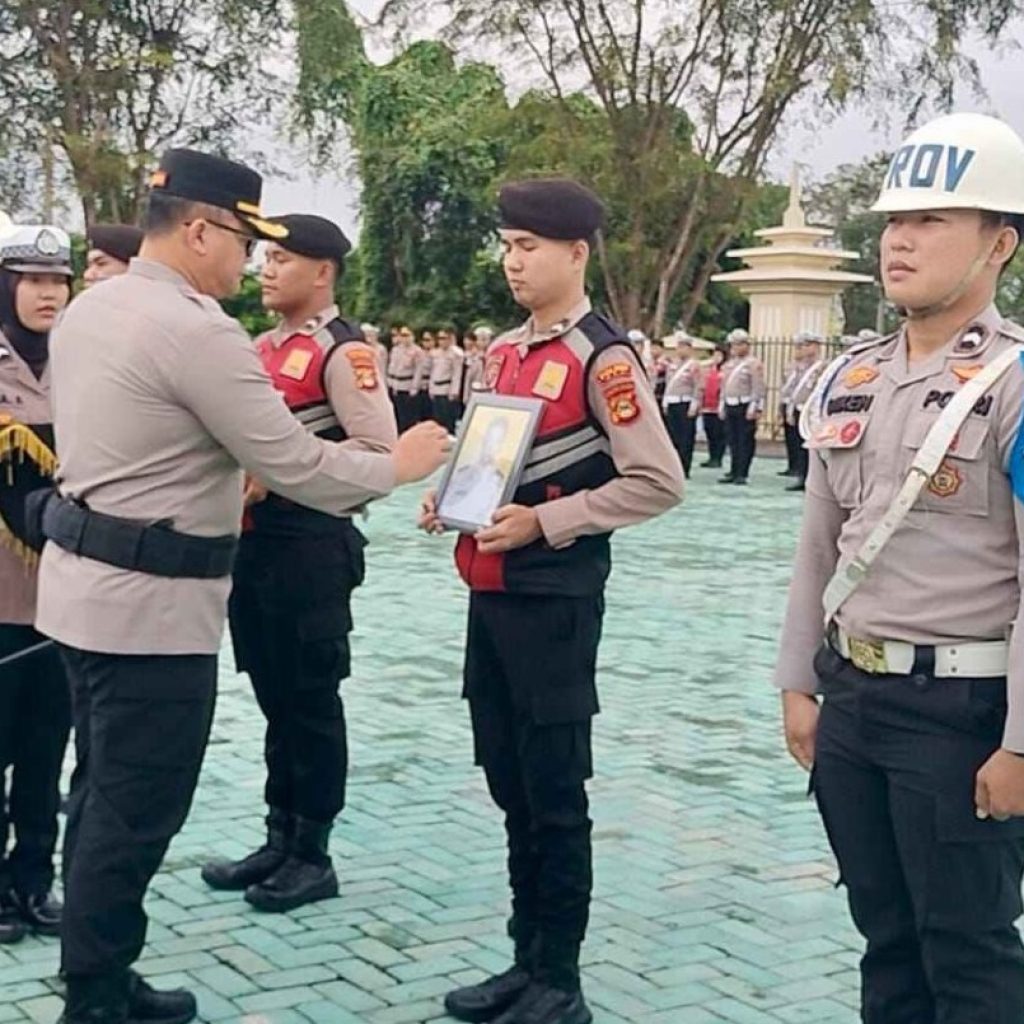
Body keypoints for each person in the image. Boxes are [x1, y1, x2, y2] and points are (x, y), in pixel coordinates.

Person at [33, 148, 448, 1024]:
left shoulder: (90, 308)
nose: (249, 263)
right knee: (135, 807)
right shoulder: (198, 329)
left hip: (82, 591)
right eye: (242, 243)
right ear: (198, 229)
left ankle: (100, 968)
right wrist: (400, 466)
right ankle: (97, 994)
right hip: (151, 611)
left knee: (99, 789)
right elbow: (298, 462)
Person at [775, 112, 1024, 1024]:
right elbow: (818, 544)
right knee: (884, 939)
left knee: (969, 953)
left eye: (932, 222)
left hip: (962, 714)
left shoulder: (1014, 384)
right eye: (893, 222)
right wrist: (798, 680)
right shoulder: (851, 375)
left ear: (998, 245)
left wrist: (1022, 742)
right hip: (855, 699)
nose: (900, 242)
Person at [421, 178, 683, 1024]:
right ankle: (522, 959)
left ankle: (559, 979)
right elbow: (489, 454)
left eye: (529, 246)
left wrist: (546, 521)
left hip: (554, 602)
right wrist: (449, 498)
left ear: (576, 253)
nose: (513, 261)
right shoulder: (503, 351)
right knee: (510, 783)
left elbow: (657, 481)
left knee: (555, 792)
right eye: (507, 245)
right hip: (489, 596)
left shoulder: (602, 357)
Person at [199, 214, 397, 913]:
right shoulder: (259, 347)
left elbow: (380, 456)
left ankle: (313, 851)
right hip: (255, 547)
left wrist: (279, 477)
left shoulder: (344, 355)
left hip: (310, 549)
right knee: (275, 699)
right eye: (265, 257)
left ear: (323, 273)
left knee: (311, 703)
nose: (266, 270)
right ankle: (278, 836)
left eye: (283, 259)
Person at [0, 225, 73, 946]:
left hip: (68, 596)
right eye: (33, 279)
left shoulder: (82, 361)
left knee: (49, 744)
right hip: (2, 592)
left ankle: (33, 880)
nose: (49, 292)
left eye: (59, 280)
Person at [441, 415, 510, 526]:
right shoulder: (462, 473)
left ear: (501, 446)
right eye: (489, 440)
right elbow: (448, 506)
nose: (491, 447)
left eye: (496, 442)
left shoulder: (501, 482)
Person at [718, 328, 765, 485]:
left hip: (745, 404)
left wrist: (755, 406)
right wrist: (721, 403)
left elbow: (757, 387)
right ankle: (733, 469)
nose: (736, 348)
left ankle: (742, 472)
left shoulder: (753, 364)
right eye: (734, 344)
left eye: (739, 344)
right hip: (730, 403)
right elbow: (724, 386)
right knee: (732, 440)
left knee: (745, 440)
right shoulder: (728, 365)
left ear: (746, 345)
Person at [784, 335, 826, 493]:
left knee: (810, 447)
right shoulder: (801, 367)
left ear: (816, 346)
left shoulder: (822, 367)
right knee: (798, 444)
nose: (803, 349)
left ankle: (810, 478)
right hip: (798, 408)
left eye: (807, 345)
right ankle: (801, 475)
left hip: (811, 411)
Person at [662, 334, 704, 477]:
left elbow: (698, 386)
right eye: (679, 346)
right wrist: (666, 402)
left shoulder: (694, 365)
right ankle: (674, 467)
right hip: (673, 402)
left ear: (690, 348)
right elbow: (669, 384)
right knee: (673, 437)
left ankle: (684, 468)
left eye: (684, 346)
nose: (681, 350)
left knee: (685, 437)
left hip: (685, 402)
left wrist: (695, 404)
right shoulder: (673, 364)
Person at [387, 324, 423, 432]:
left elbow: (418, 371)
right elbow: (391, 367)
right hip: (395, 386)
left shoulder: (417, 351)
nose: (404, 338)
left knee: (407, 417)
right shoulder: (395, 350)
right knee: (396, 415)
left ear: (413, 336)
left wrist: (414, 388)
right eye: (402, 335)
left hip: (407, 386)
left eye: (407, 335)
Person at [429, 325, 465, 432]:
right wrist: (431, 389)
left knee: (448, 421)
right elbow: (433, 372)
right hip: (436, 388)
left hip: (447, 388)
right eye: (439, 338)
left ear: (450, 339)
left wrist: (454, 391)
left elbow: (456, 374)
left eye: (444, 338)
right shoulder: (435, 353)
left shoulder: (455, 354)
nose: (441, 341)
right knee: (437, 419)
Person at [778, 339, 806, 477]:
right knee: (790, 437)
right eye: (797, 348)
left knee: (799, 439)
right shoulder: (790, 366)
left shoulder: (810, 368)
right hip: (788, 403)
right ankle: (792, 464)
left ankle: (800, 468)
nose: (798, 351)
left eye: (800, 348)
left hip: (801, 405)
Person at [700, 343, 727, 468]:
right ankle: (711, 456)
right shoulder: (710, 369)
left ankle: (718, 457)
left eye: (719, 355)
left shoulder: (726, 369)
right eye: (715, 355)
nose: (716, 357)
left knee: (719, 433)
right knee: (709, 431)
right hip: (707, 404)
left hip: (718, 405)